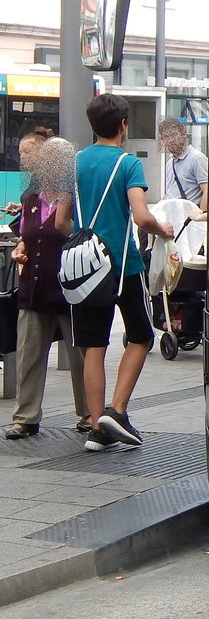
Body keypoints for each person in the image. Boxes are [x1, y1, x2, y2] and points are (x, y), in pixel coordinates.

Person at [57, 93, 173, 452]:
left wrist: (85, 240)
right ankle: (117, 411)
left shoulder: (73, 164)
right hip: (124, 267)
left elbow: (61, 221)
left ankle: (96, 427)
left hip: (86, 268)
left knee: (94, 345)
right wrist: (162, 230)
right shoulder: (127, 164)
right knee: (140, 336)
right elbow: (140, 216)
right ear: (123, 125)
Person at [5, 131, 88, 438]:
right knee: (28, 354)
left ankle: (89, 413)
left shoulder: (77, 198)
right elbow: (27, 237)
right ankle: (25, 417)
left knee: (79, 355)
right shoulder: (31, 199)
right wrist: (20, 249)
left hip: (70, 288)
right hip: (34, 287)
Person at [157, 117, 207, 212]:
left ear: (183, 134)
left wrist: (201, 218)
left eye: (173, 135)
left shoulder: (197, 158)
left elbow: (207, 190)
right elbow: (171, 193)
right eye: (166, 137)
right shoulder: (169, 163)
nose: (170, 140)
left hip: (191, 220)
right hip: (175, 219)